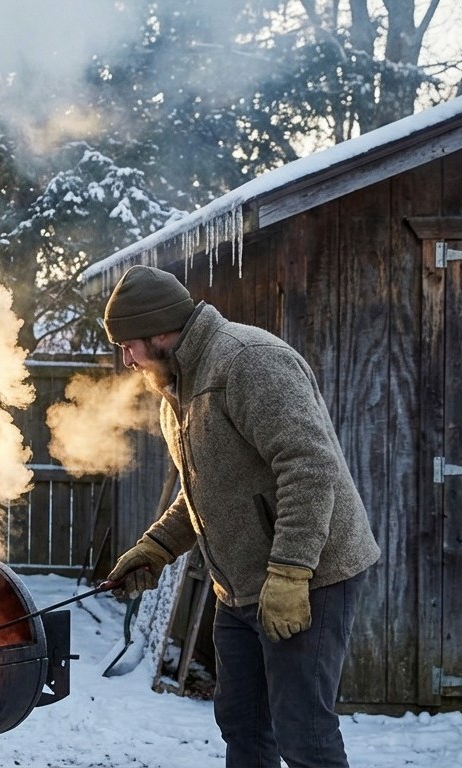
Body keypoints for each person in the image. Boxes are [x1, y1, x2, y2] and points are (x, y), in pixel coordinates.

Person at [101, 264, 380, 768]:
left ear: (160, 331)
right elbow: (207, 491)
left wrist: (292, 571)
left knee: (304, 734)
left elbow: (311, 467)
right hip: (240, 587)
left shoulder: (250, 362)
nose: (126, 359)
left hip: (310, 576)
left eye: (129, 345)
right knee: (243, 725)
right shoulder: (177, 391)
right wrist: (156, 547)